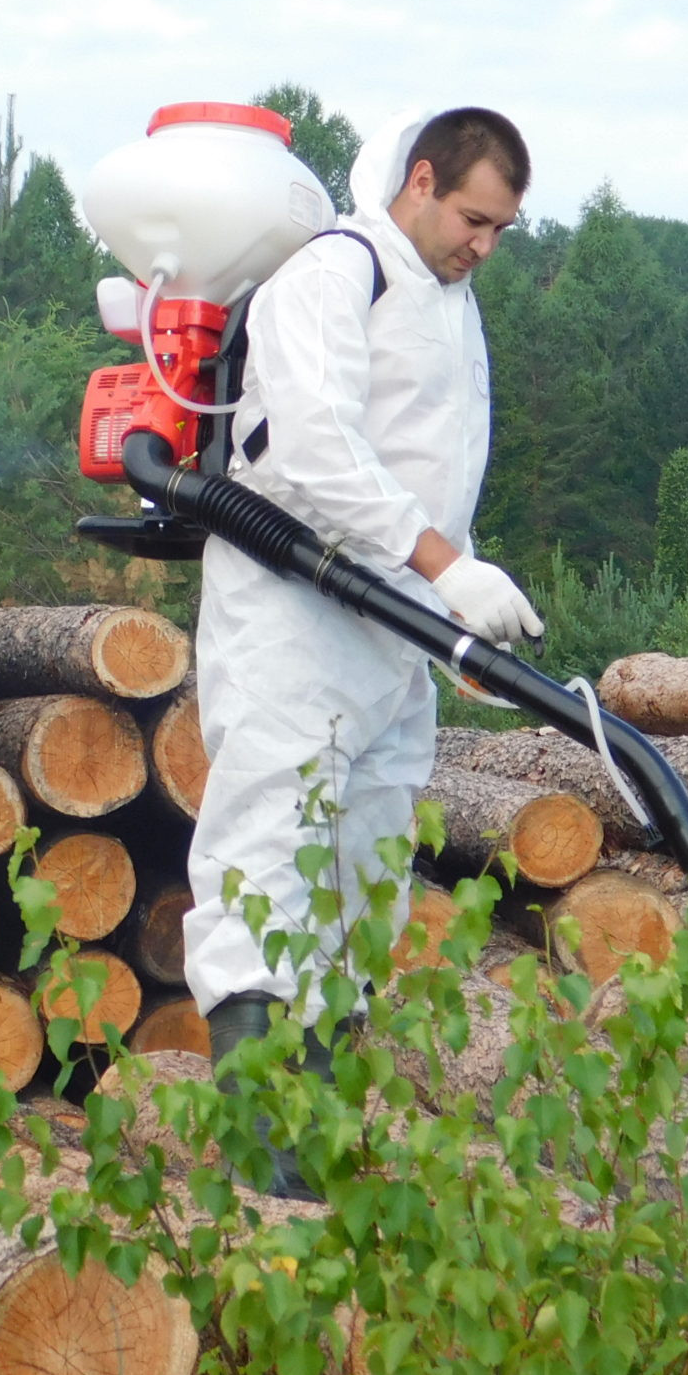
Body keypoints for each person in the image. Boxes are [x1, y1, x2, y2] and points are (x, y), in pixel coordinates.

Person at [182, 105, 537, 1190]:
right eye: (474, 217)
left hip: (391, 640)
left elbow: (426, 466)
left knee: (361, 890)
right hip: (295, 622)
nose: (484, 244)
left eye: (503, 231)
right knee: (264, 872)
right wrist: (443, 567)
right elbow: (317, 450)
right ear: (421, 180)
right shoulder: (337, 273)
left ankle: (323, 1170)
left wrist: (459, 616)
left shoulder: (451, 304)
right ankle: (261, 1181)